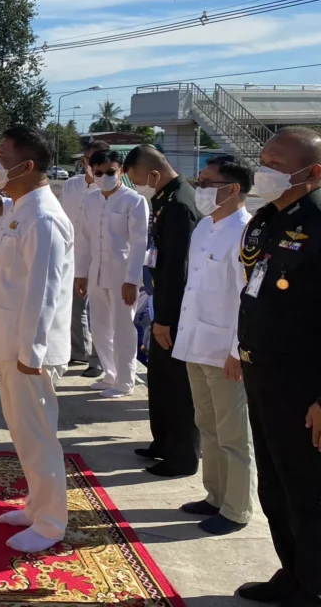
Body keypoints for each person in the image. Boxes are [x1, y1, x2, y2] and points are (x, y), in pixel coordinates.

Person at [228, 127, 321, 607]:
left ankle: (316, 594)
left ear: (314, 172)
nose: (264, 171)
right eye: (263, 160)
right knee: (277, 486)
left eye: (276, 165)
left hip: (308, 389)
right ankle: (295, 575)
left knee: (315, 495)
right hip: (265, 375)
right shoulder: (270, 220)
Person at [0, 126, 74, 553]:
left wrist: (32, 351)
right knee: (21, 431)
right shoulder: (19, 208)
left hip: (27, 349)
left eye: (2, 155)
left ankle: (50, 523)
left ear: (26, 166)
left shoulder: (45, 216)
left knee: (37, 435)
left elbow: (44, 291)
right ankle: (36, 505)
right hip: (7, 340)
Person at [172, 155, 255, 536]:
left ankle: (236, 509)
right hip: (196, 340)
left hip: (226, 350)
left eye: (206, 182)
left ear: (232, 189)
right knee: (206, 424)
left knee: (233, 434)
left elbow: (247, 297)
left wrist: (238, 351)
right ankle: (215, 495)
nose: (199, 187)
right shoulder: (205, 226)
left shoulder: (247, 232)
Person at [124, 144, 201, 478]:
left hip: (176, 310)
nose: (138, 187)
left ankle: (181, 456)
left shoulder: (181, 203)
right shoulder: (165, 198)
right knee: (159, 379)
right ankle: (163, 443)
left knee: (177, 387)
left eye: (137, 180)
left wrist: (166, 319)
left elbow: (176, 270)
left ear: (153, 174)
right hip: (160, 302)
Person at [74, 150, 148, 398]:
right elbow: (84, 239)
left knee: (123, 327)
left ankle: (126, 380)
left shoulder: (134, 201)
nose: (104, 176)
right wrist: (81, 273)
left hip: (122, 275)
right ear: (92, 173)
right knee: (100, 326)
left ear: (121, 172)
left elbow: (139, 243)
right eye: (99, 173)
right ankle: (111, 374)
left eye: (110, 172)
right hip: (96, 273)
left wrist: (131, 280)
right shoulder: (91, 200)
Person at [59, 140, 110, 378]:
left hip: (101, 257)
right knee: (73, 307)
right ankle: (78, 351)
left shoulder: (111, 190)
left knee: (99, 310)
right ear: (84, 162)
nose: (95, 166)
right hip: (72, 255)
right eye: (92, 160)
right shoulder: (71, 185)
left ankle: (99, 360)